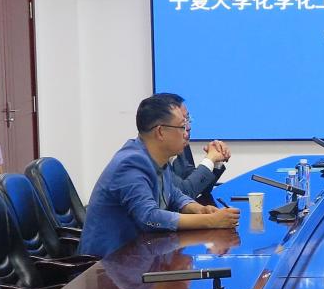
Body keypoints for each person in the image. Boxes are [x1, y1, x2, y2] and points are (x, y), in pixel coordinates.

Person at [79, 93, 240, 259]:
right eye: (182, 127)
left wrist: (199, 210)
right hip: (108, 263)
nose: (186, 133)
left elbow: (174, 195)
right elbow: (149, 217)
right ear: (161, 132)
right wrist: (212, 221)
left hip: (141, 254)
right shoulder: (131, 164)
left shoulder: (156, 157)